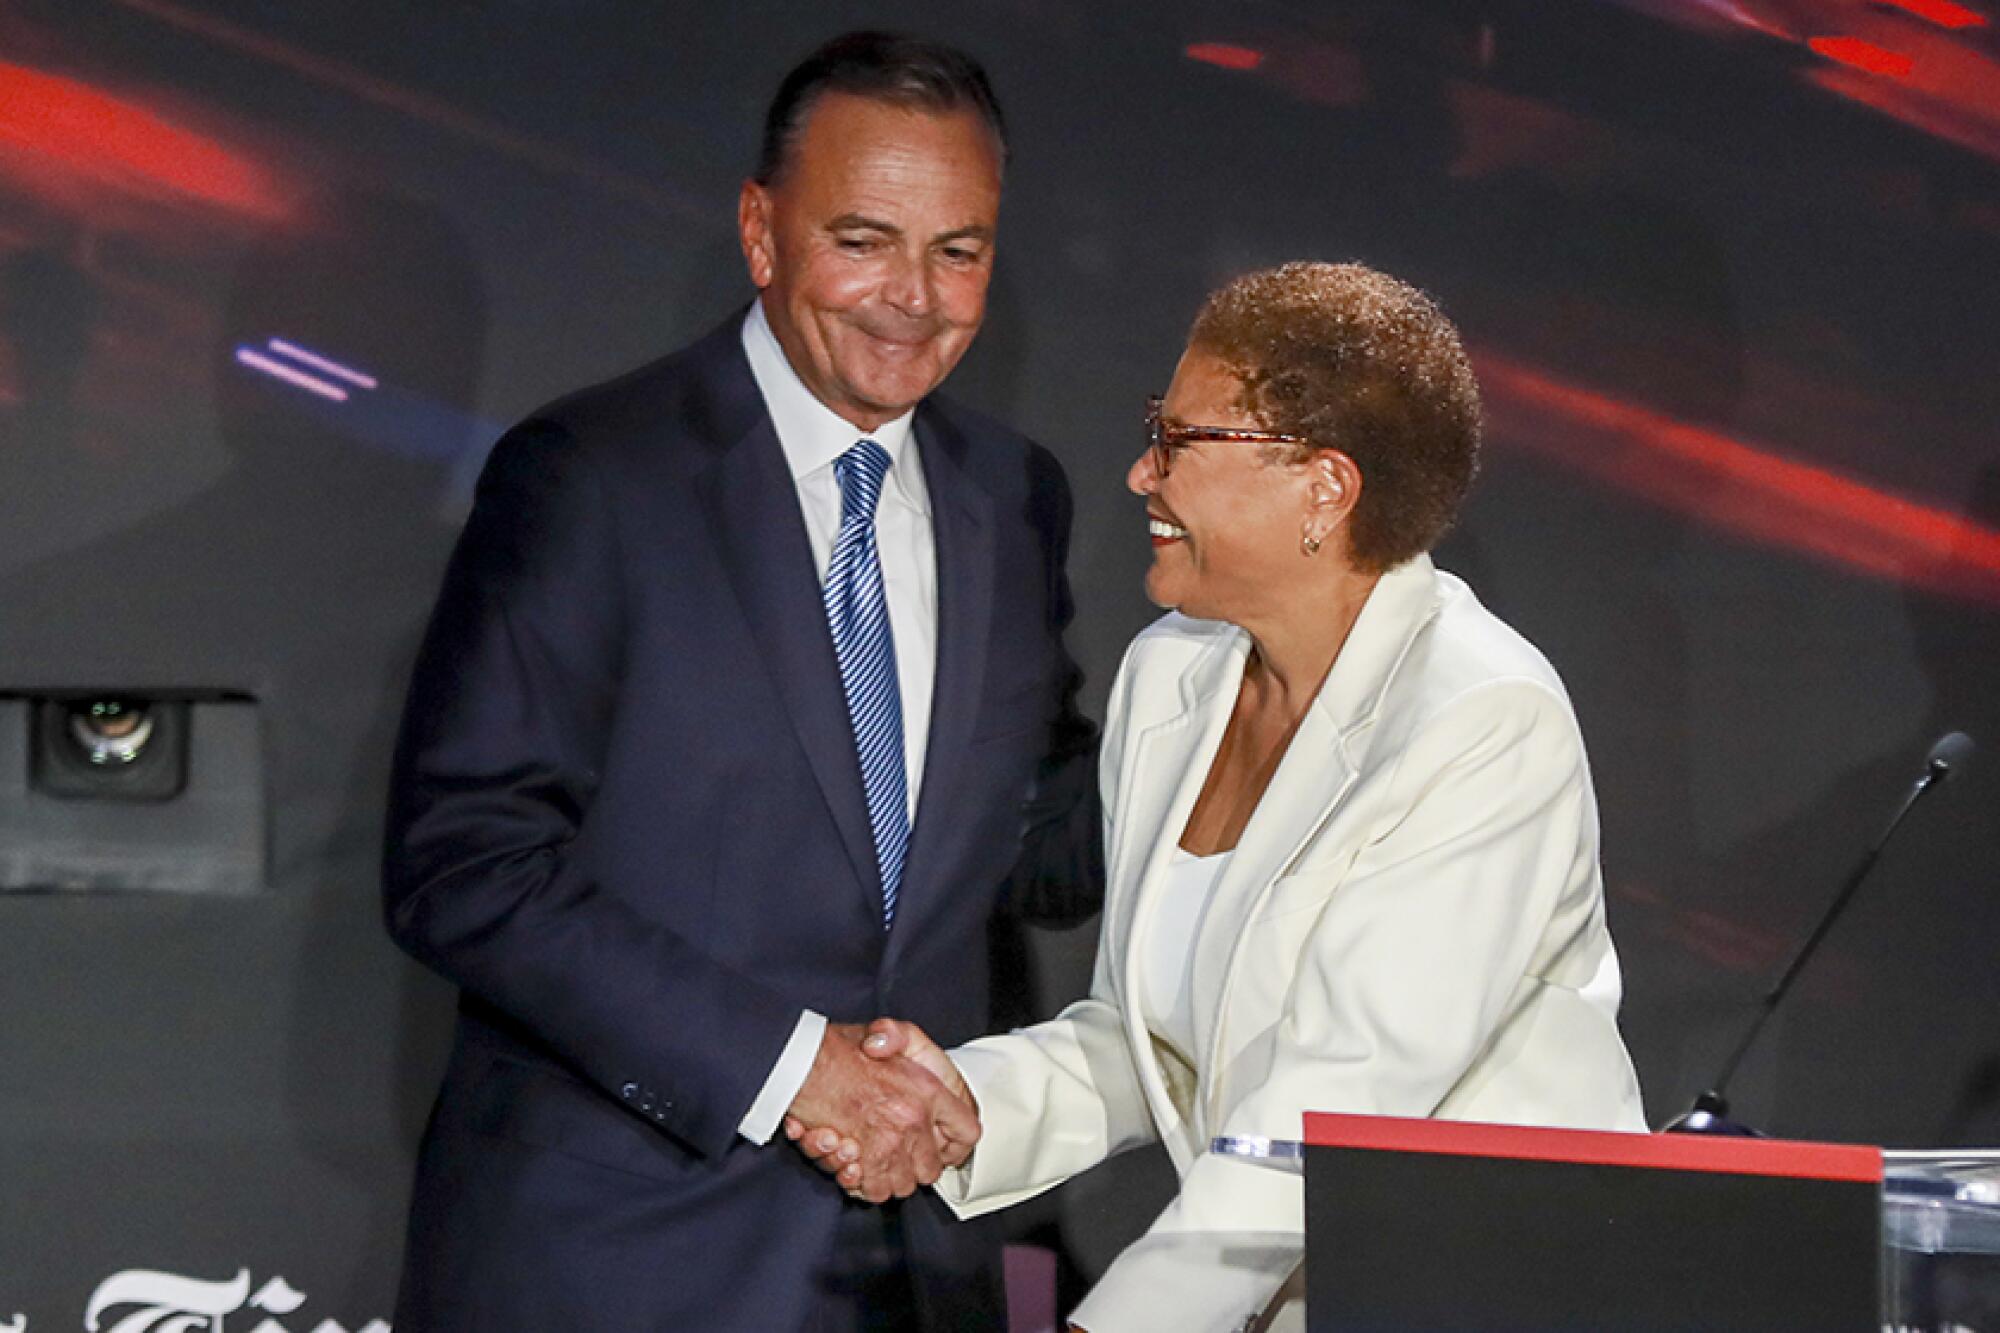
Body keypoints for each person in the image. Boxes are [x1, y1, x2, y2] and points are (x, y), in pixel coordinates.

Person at [382, 31, 1098, 1332]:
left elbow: (1043, 848)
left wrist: (1272, 703)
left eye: (960, 249)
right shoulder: (593, 478)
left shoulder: (1014, 496)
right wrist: (792, 1069)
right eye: (864, 238)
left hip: (917, 1273)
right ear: (762, 234)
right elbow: (466, 863)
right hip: (623, 1268)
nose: (913, 296)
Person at [801, 261, 1646, 1332]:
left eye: (1182, 440)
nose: (1140, 474)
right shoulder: (1173, 674)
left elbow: (1332, 1112)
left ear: (1322, 489)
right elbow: (1141, 1036)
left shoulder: (1480, 720)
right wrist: (963, 1105)